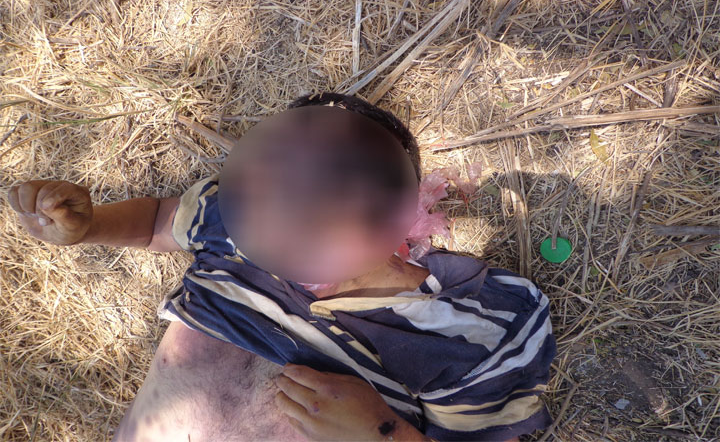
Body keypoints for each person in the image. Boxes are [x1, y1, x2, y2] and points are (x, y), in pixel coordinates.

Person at [8, 93, 556, 442]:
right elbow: (158, 220)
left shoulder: (463, 333)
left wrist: (381, 432)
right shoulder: (228, 220)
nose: (299, 200)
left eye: (336, 178)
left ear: (399, 209)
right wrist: (90, 226)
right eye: (280, 174)